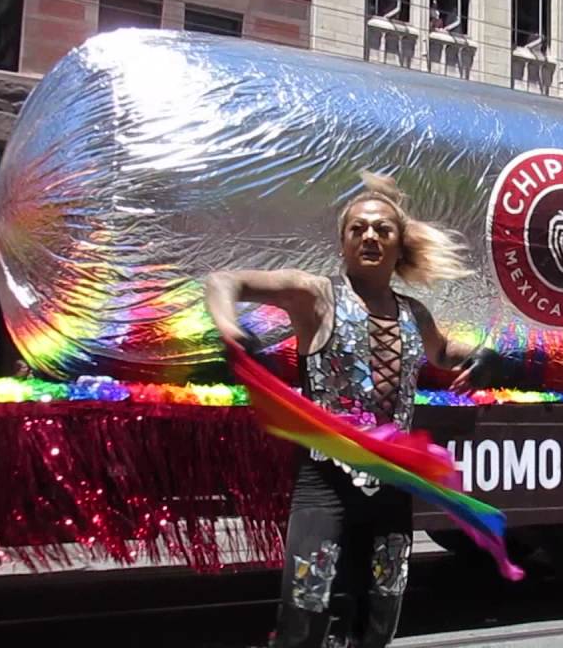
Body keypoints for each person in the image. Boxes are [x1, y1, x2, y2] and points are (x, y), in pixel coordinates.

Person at [205, 172, 484, 648]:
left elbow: (441, 353)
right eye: (357, 229)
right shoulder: (315, 295)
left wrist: (479, 357)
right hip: (324, 487)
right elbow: (222, 281)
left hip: (392, 488)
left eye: (381, 229)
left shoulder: (414, 313)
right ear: (343, 243)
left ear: (399, 247)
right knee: (305, 616)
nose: (369, 235)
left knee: (379, 619)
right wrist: (230, 328)